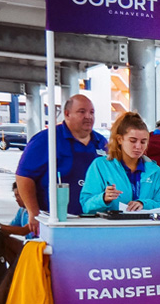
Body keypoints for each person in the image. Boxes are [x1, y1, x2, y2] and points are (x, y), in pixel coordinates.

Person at [15, 94, 107, 234]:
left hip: (94, 221)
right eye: (82, 112)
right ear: (67, 114)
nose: (88, 116)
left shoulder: (102, 142)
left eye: (92, 112)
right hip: (55, 223)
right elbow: (24, 177)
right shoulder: (46, 139)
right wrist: (33, 212)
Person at [80, 112, 160, 215]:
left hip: (146, 229)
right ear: (119, 139)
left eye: (143, 142)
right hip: (111, 229)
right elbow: (86, 205)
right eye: (133, 141)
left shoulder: (154, 170)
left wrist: (143, 204)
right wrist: (103, 198)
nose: (138, 146)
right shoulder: (100, 166)